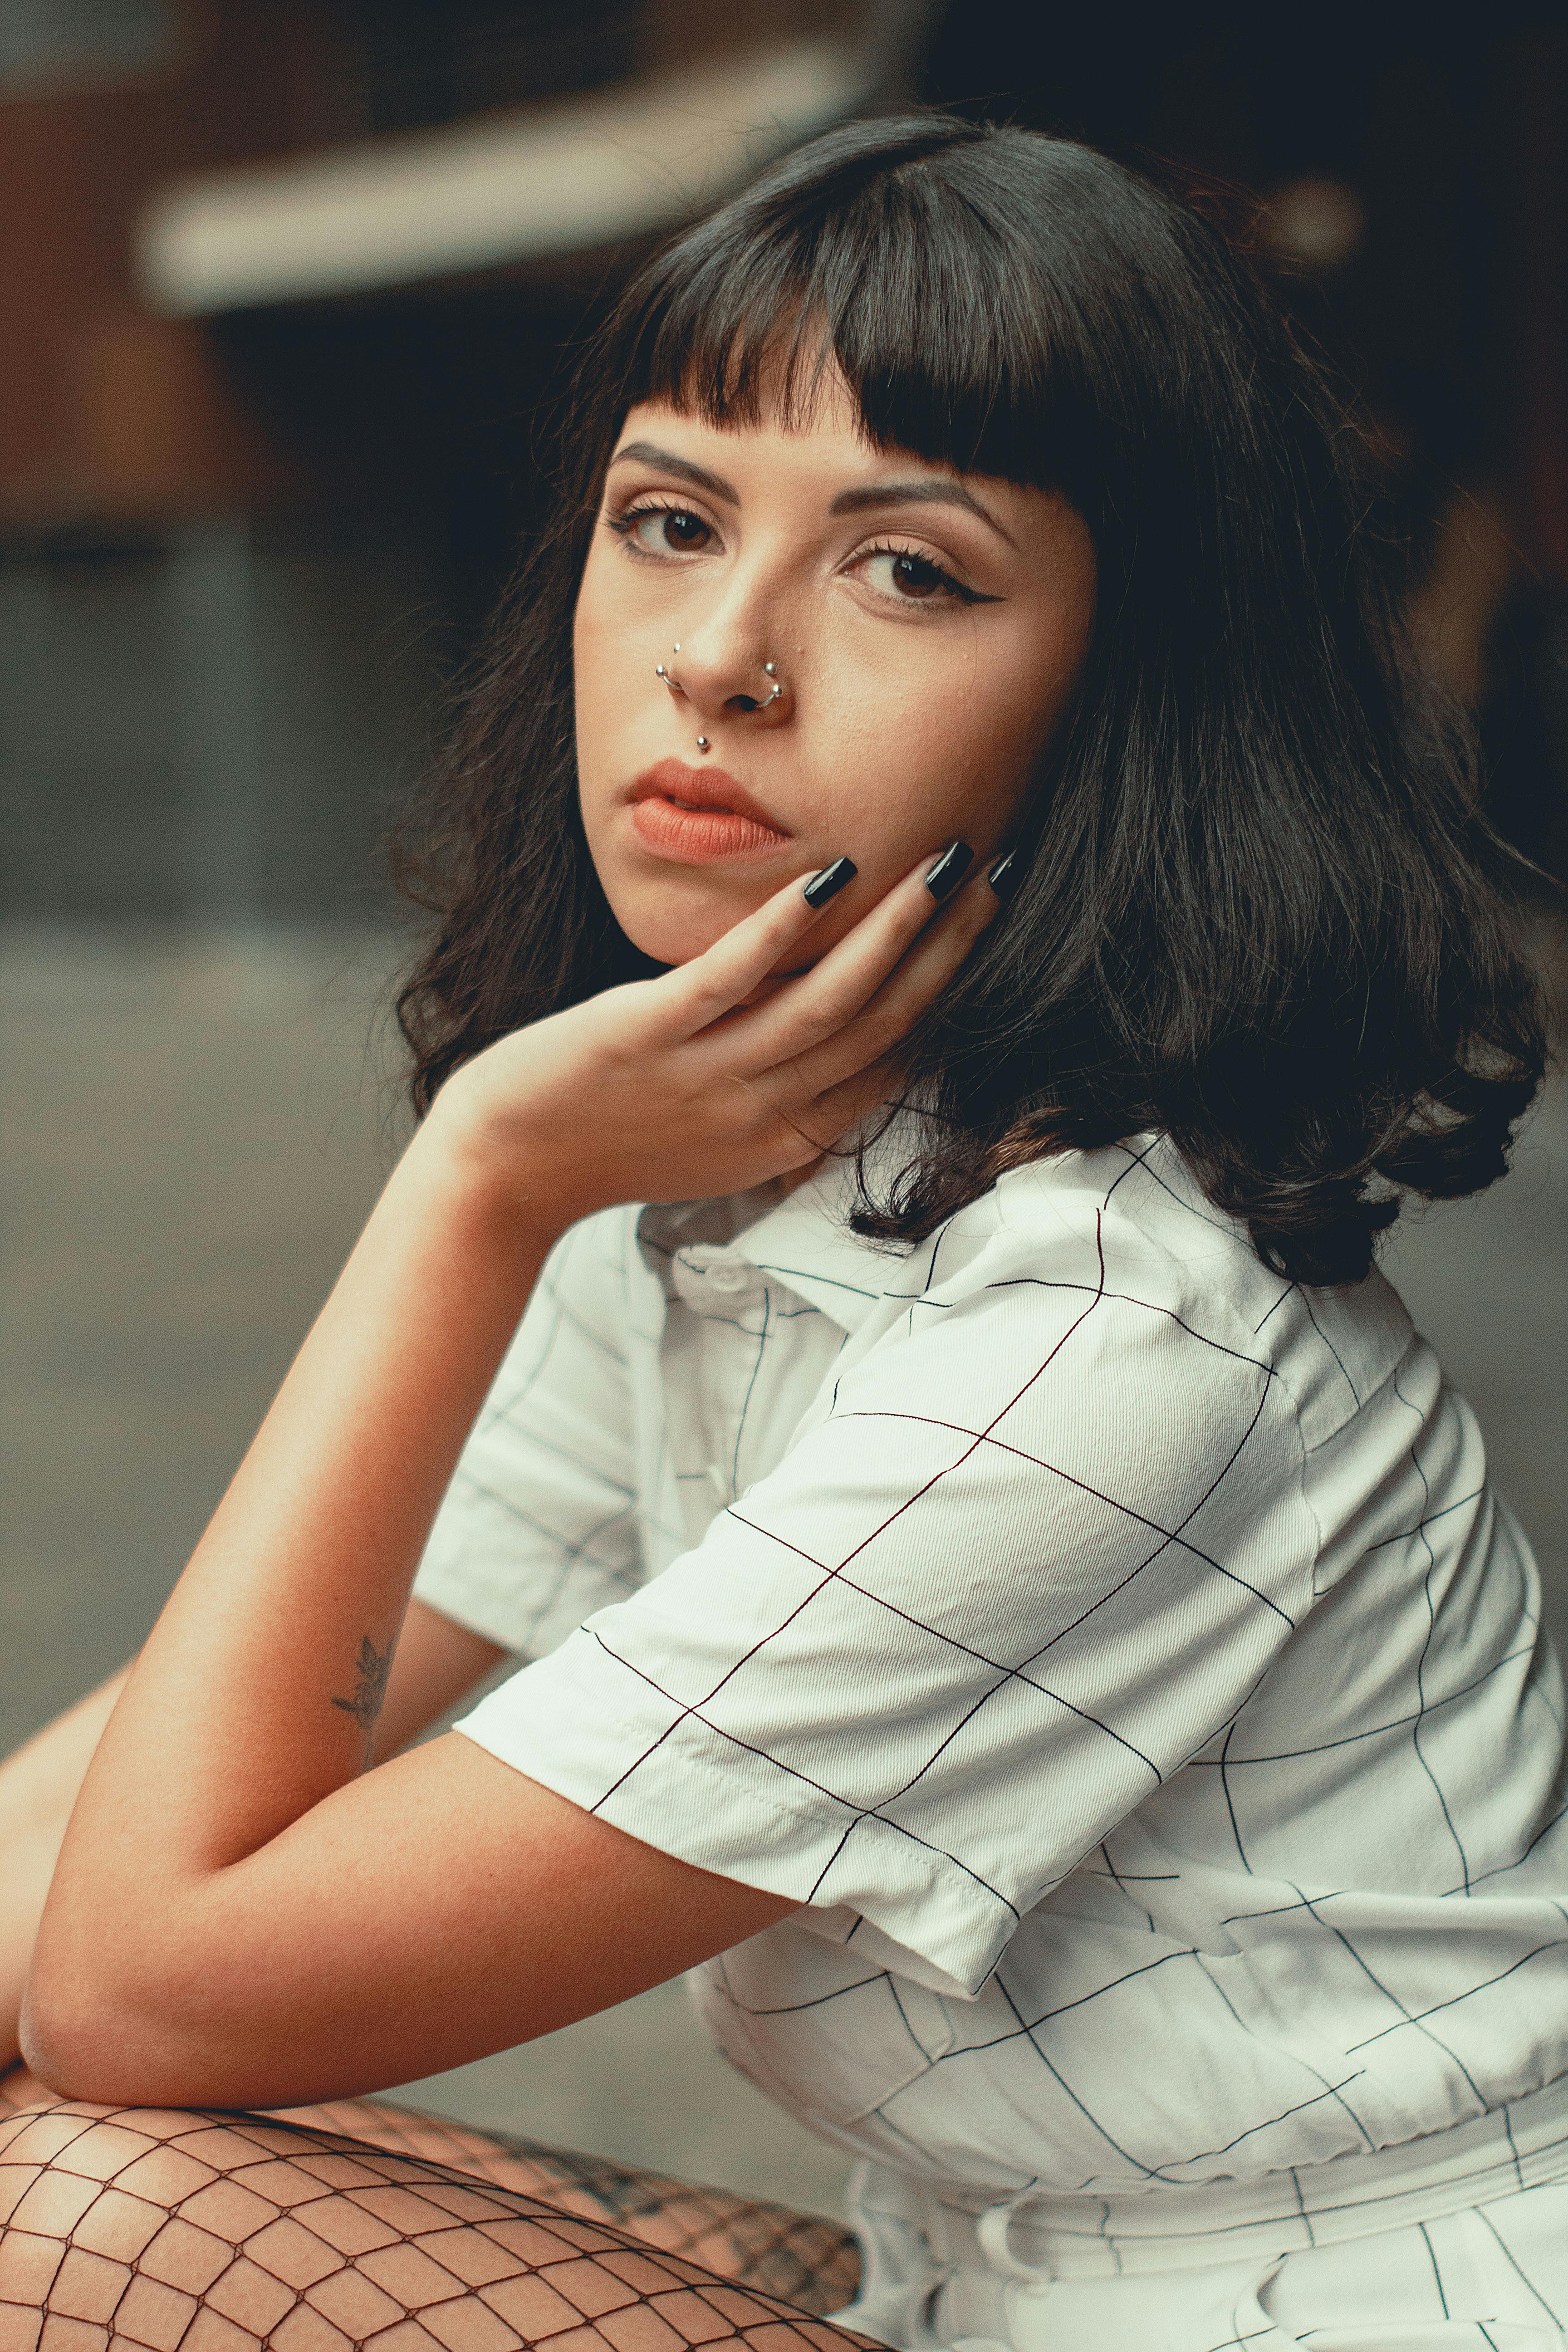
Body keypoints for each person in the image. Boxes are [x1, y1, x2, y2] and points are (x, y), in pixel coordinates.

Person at [0, 113, 1560, 2352]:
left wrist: (468, 1188)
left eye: (908, 567)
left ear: (1130, 696)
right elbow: (99, 1818)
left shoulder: (1120, 1354)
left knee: (89, 2208)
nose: (719, 656)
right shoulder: (749, 1175)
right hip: (991, 2290)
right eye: (667, 521)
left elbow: (151, 1987)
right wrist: (533, 1204)